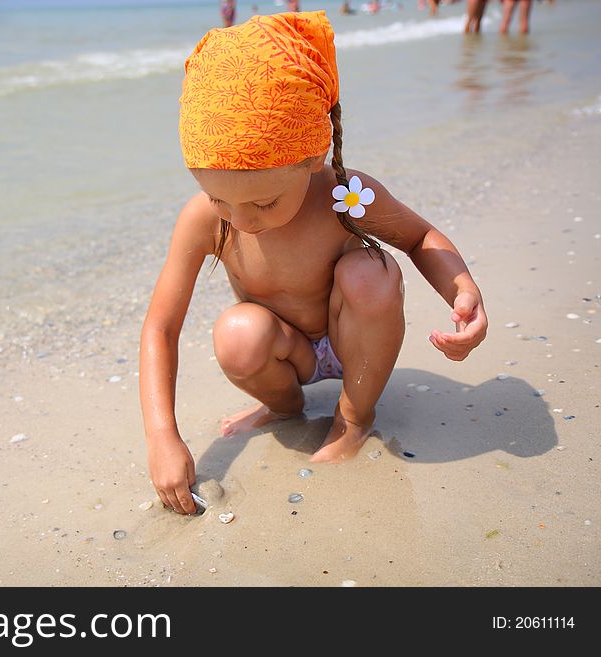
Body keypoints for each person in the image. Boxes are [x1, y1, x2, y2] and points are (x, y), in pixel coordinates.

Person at [140, 12, 488, 514]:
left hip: (355, 339)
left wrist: (462, 289)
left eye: (263, 203)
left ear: (311, 158)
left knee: (370, 272)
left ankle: (353, 416)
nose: (243, 220)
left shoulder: (345, 195)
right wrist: (161, 437)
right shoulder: (204, 220)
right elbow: (160, 328)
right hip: (289, 351)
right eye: (219, 199)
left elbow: (419, 237)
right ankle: (284, 408)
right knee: (237, 333)